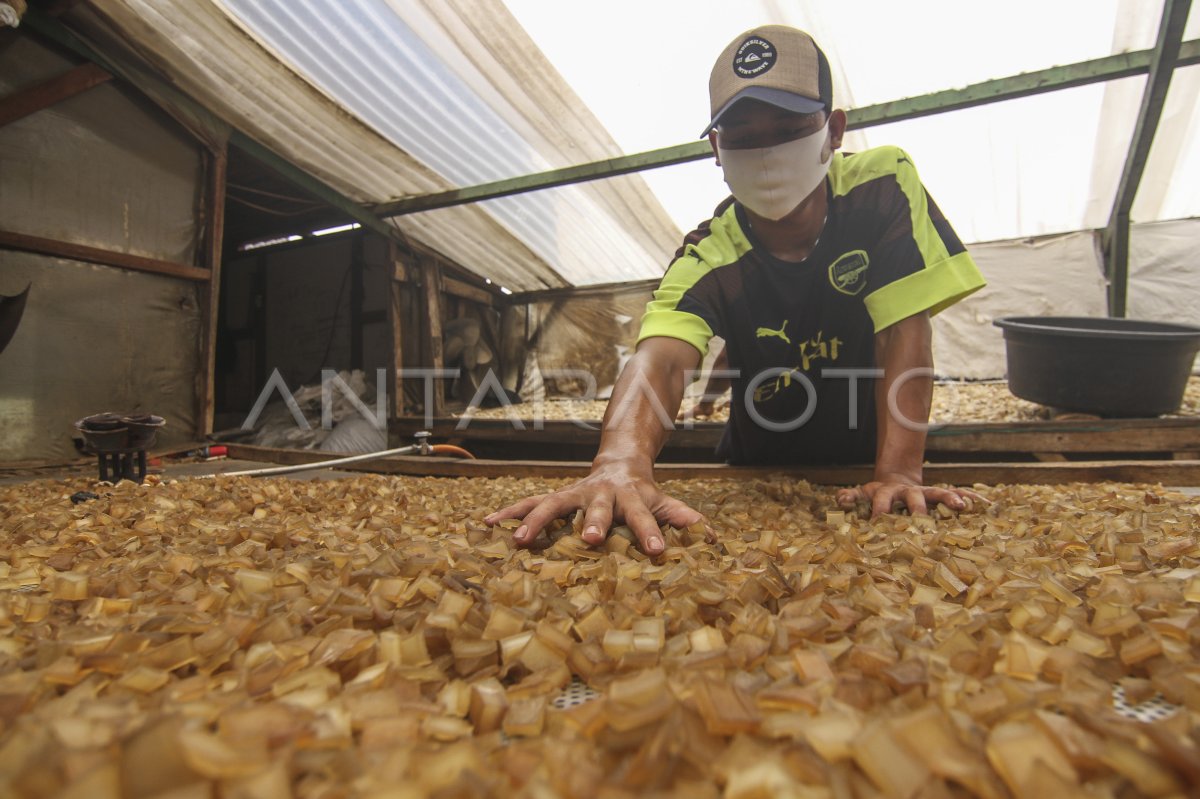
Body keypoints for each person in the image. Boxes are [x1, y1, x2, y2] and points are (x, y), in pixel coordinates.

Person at [487, 24, 987, 554]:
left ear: (834, 130)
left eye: (790, 127)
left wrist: (900, 473)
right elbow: (661, 360)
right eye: (744, 138)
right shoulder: (708, 255)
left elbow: (904, 330)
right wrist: (619, 461)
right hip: (756, 463)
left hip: (866, 460)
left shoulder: (880, 188)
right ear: (716, 149)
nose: (767, 152)